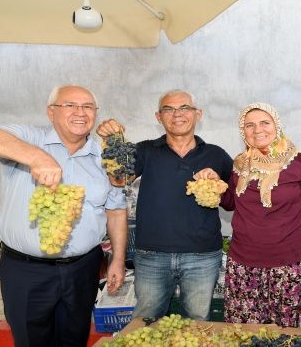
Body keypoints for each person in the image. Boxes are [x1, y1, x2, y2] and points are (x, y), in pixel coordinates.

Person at [0, 85, 128, 347]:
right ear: (51, 112)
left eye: (88, 107)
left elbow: (116, 210)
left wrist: (117, 260)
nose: (80, 112)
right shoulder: (30, 139)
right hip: (27, 272)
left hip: (82, 270)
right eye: (70, 105)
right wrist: (36, 157)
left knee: (74, 340)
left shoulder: (104, 158)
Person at [96, 89, 234, 320]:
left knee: (197, 324)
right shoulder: (144, 150)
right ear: (158, 117)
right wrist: (111, 141)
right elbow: (118, 179)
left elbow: (233, 200)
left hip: (202, 256)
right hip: (152, 256)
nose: (176, 114)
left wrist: (218, 184)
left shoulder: (216, 155)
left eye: (184, 108)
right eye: (168, 109)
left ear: (197, 114)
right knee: (146, 321)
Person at [195, 102, 301, 327]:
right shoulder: (241, 164)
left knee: (289, 334)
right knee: (246, 332)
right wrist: (215, 184)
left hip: (292, 265)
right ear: (243, 132)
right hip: (244, 265)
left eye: (264, 123)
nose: (257, 129)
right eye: (249, 125)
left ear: (276, 125)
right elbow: (231, 203)